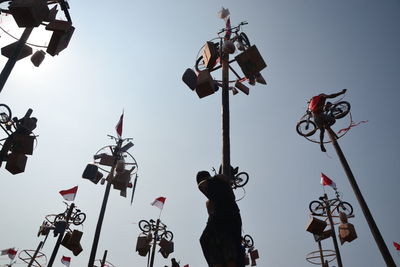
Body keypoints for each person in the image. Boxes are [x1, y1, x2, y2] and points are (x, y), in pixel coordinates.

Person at [197, 170, 244, 267]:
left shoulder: (215, 182)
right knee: (215, 243)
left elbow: (201, 186)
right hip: (227, 219)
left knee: (223, 243)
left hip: (225, 217)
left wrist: (215, 178)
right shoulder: (217, 187)